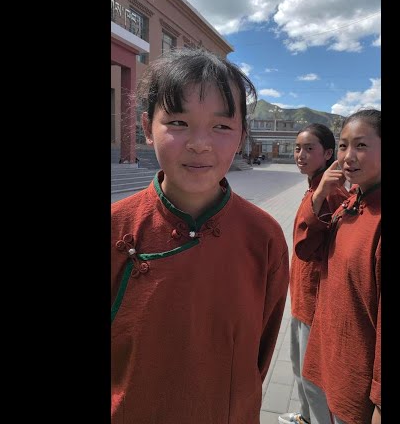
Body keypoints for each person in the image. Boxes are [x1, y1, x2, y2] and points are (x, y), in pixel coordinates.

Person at [111, 47, 289, 424]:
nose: (199, 143)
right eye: (177, 122)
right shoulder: (116, 226)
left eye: (221, 126)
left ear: (241, 135)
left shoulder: (264, 236)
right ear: (146, 128)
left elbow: (261, 351)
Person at [295, 109, 381, 424]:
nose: (348, 156)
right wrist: (318, 196)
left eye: (360, 145)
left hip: (356, 377)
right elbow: (306, 248)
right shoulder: (349, 205)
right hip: (329, 354)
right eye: (343, 146)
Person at [279, 124, 348, 424]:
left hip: (317, 305)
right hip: (302, 301)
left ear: (328, 153)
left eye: (309, 149)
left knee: (313, 378)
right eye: (297, 148)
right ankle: (306, 418)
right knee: (299, 368)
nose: (300, 155)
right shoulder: (315, 187)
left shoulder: (332, 194)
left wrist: (320, 194)